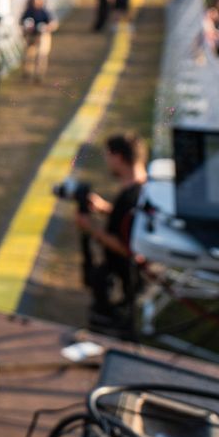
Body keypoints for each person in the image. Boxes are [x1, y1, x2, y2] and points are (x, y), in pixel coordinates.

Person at [75, 133, 148, 334]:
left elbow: (128, 249)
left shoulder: (131, 198)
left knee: (111, 330)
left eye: (107, 156)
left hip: (121, 287)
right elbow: (131, 221)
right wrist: (105, 208)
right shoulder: (144, 190)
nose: (107, 162)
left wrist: (91, 228)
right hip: (127, 283)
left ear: (117, 157)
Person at [20, 0, 56, 82]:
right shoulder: (28, 11)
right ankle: (27, 73)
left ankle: (39, 75)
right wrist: (26, 28)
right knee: (29, 55)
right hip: (31, 36)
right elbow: (22, 22)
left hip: (42, 36)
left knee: (41, 55)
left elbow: (53, 23)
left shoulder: (45, 12)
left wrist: (47, 27)